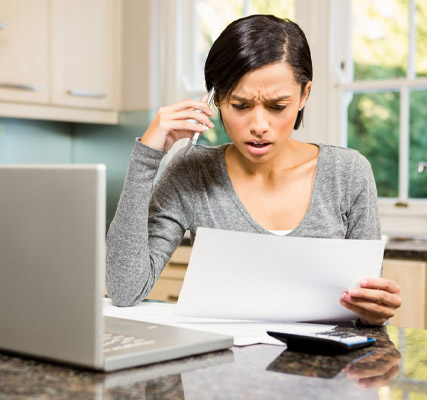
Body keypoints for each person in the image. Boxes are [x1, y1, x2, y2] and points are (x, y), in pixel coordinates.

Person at [106, 14, 401, 325]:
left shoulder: (348, 174)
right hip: (222, 367)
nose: (259, 126)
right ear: (216, 99)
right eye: (241, 106)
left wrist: (376, 309)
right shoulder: (191, 172)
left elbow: (367, 308)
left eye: (277, 107)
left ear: (304, 95)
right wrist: (146, 158)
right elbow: (125, 290)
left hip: (321, 370)